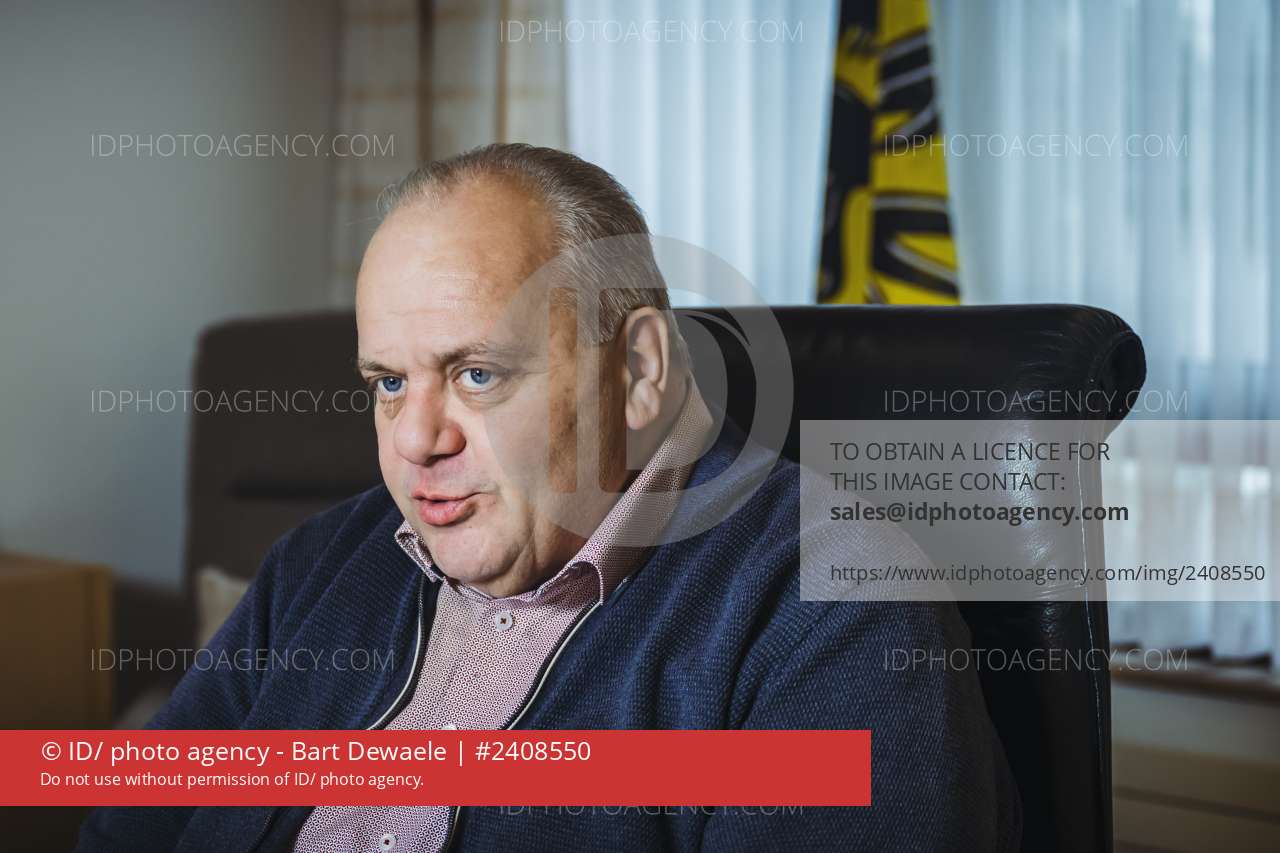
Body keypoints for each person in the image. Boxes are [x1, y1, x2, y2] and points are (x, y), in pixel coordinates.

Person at [78, 143, 1019, 852]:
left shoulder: (832, 604)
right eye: (389, 382)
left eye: (477, 373)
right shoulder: (320, 563)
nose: (414, 439)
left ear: (639, 370)